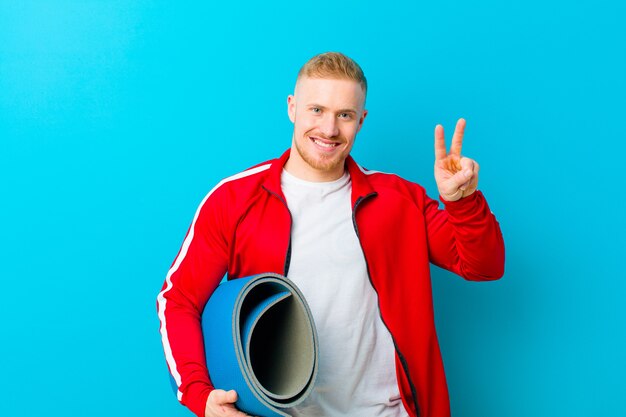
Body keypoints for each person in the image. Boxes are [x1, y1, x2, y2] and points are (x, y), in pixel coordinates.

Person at [157, 52, 505, 417]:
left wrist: (462, 202)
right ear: (292, 108)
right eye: (317, 110)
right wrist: (199, 394)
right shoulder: (233, 199)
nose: (329, 129)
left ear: (361, 121)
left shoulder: (400, 200)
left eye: (345, 115)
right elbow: (178, 300)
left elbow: (483, 266)